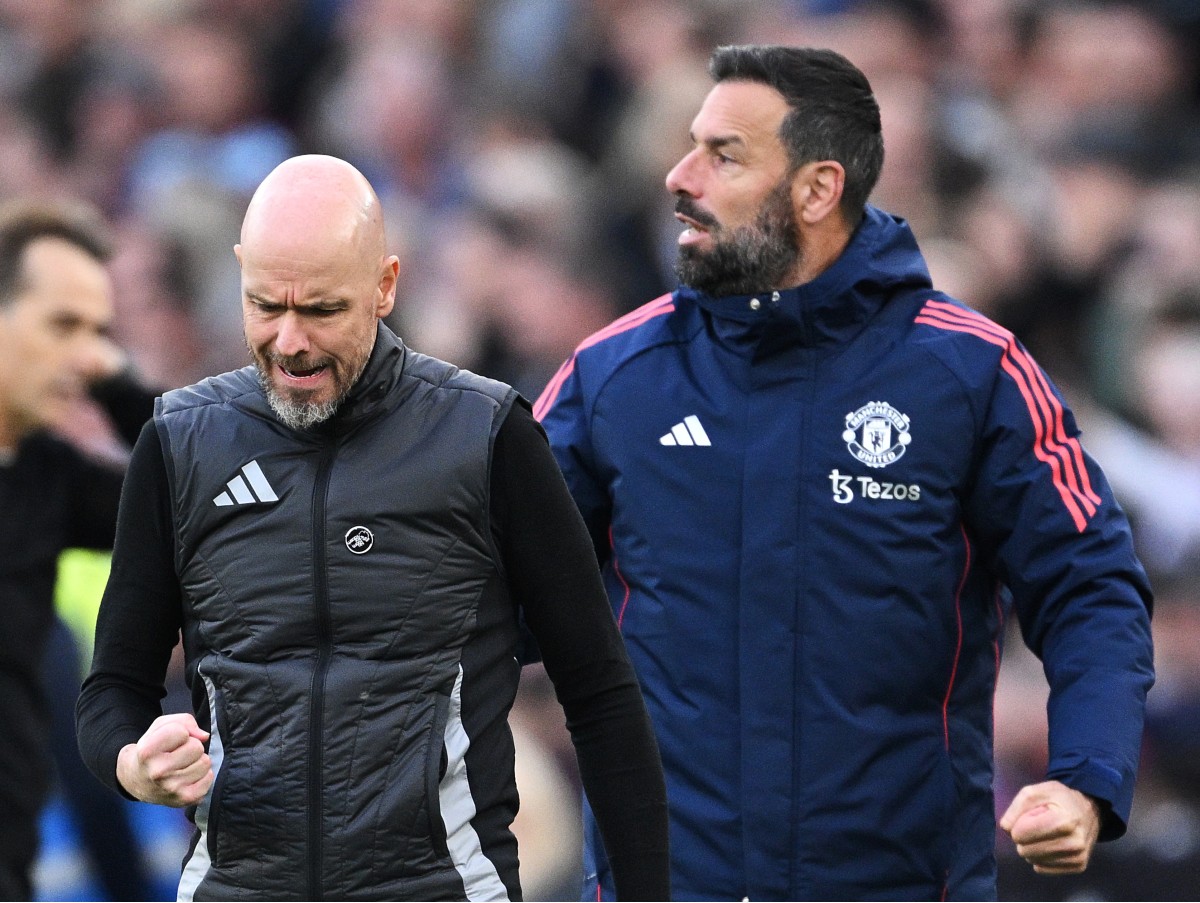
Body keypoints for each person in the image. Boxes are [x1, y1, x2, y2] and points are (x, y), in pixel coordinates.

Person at [534, 45, 1155, 901]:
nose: (679, 176)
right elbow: (485, 584)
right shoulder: (612, 376)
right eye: (690, 144)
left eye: (724, 155)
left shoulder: (973, 374)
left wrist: (1088, 776)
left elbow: (1092, 586)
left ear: (818, 189)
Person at [76, 154, 670, 902]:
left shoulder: (485, 436)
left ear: (386, 284)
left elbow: (602, 693)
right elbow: (111, 691)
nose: (289, 340)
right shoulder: (178, 442)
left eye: (322, 310)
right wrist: (134, 762)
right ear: (237, 275)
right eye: (265, 305)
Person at [0, 199, 158, 900]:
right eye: (63, 325)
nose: (85, 355)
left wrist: (119, 384)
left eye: (100, 333)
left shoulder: (48, 477)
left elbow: (210, 489)